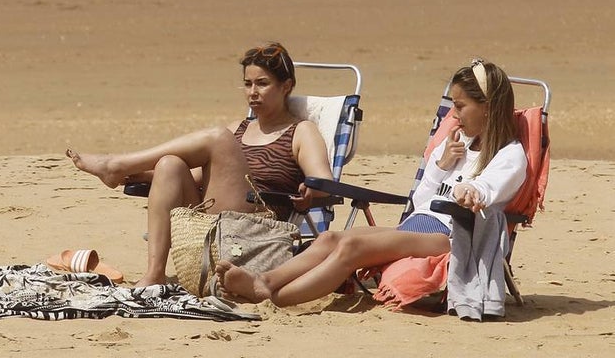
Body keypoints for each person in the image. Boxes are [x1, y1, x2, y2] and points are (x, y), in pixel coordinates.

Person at [217, 58, 526, 308]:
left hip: (453, 236)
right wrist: (441, 165)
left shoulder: (510, 156)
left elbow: (487, 189)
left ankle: (273, 296)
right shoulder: (457, 144)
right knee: (331, 238)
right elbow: (420, 202)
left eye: (460, 107)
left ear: (487, 106)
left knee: (352, 246)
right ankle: (266, 282)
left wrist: (469, 190)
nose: (454, 115)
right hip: (419, 225)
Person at [66, 42, 334, 288]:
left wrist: (311, 191)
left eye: (262, 84)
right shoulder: (239, 129)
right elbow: (196, 178)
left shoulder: (301, 131)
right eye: (247, 84)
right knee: (170, 164)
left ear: (286, 86)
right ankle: (155, 273)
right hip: (214, 221)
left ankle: (116, 165)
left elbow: (326, 183)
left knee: (218, 138)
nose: (252, 93)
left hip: (257, 228)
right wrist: (144, 175)